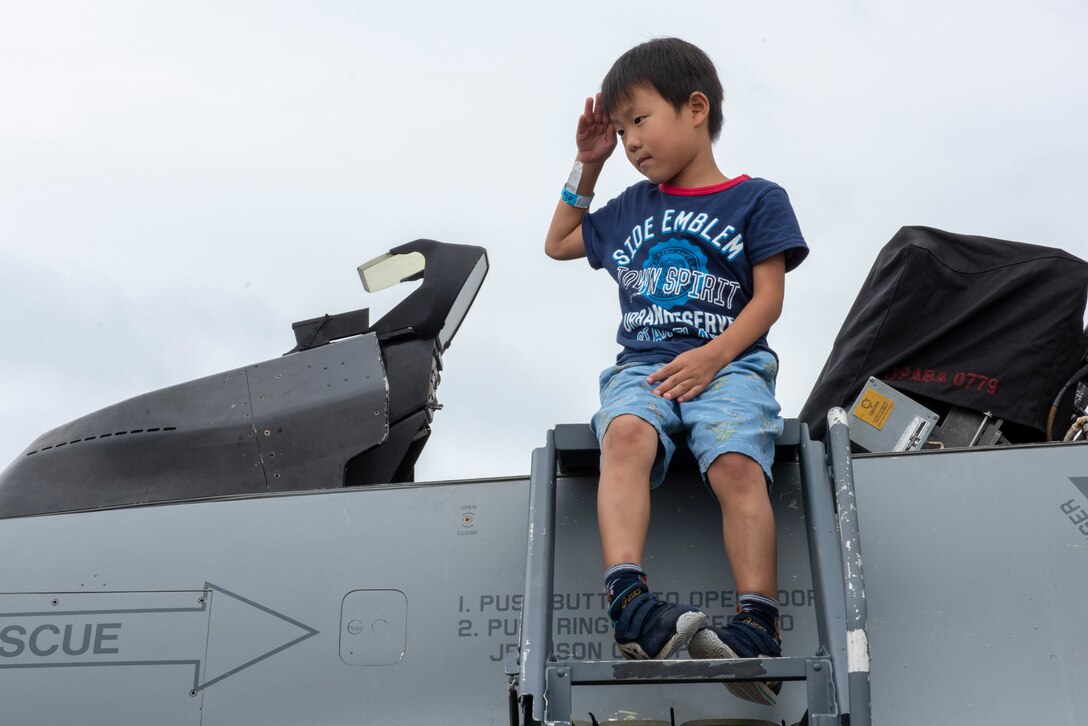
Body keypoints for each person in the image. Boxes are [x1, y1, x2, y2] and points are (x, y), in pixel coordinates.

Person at [543, 37, 808, 706]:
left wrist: (717, 355)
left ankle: (757, 627)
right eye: (621, 127)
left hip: (732, 365)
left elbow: (769, 297)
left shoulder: (756, 199)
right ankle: (630, 604)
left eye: (639, 119)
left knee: (735, 463)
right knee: (624, 435)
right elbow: (559, 242)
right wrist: (588, 162)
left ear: (695, 108)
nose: (630, 140)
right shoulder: (632, 205)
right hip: (646, 367)